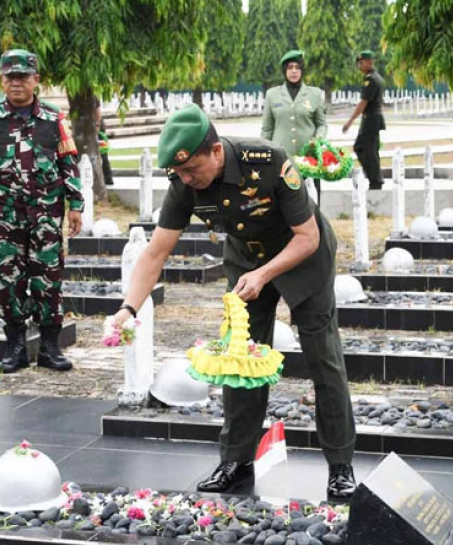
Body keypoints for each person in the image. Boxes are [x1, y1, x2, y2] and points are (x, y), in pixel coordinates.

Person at [115, 104, 357, 500]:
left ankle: (341, 465)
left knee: (323, 358)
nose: (187, 179)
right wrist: (128, 308)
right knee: (238, 360)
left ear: (214, 151)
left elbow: (307, 237)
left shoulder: (268, 162)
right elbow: (156, 252)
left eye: (192, 169)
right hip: (247, 262)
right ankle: (236, 459)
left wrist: (265, 275)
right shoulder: (185, 184)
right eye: (180, 173)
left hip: (303, 259)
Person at [0, 49, 83, 373]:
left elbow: (68, 163)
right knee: (9, 281)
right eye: (10, 77)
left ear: (36, 80)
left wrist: (76, 205)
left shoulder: (54, 120)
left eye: (23, 77)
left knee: (49, 281)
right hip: (5, 218)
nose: (17, 83)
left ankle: (49, 348)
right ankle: (14, 347)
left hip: (45, 216)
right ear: (2, 80)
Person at [261, 50, 327, 206]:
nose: (293, 71)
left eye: (297, 67)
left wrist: (317, 141)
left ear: (302, 70)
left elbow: (321, 124)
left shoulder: (315, 94)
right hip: (282, 160)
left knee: (311, 202)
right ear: (284, 71)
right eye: (290, 67)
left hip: (309, 159)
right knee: (283, 202)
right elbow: (267, 129)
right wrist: (264, 154)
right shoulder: (272, 95)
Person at [343, 50, 385, 190]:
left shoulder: (371, 80)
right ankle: (374, 179)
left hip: (371, 119)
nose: (359, 66)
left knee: (364, 149)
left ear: (370, 62)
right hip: (373, 118)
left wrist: (349, 122)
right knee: (369, 149)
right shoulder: (375, 77)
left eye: (362, 63)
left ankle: (375, 179)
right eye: (358, 63)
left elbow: (363, 103)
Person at [94, 98, 114, 186]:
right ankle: (107, 177)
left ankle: (108, 177)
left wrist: (97, 125)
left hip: (96, 126)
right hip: (96, 124)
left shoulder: (90, 96)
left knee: (102, 153)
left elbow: (98, 109)